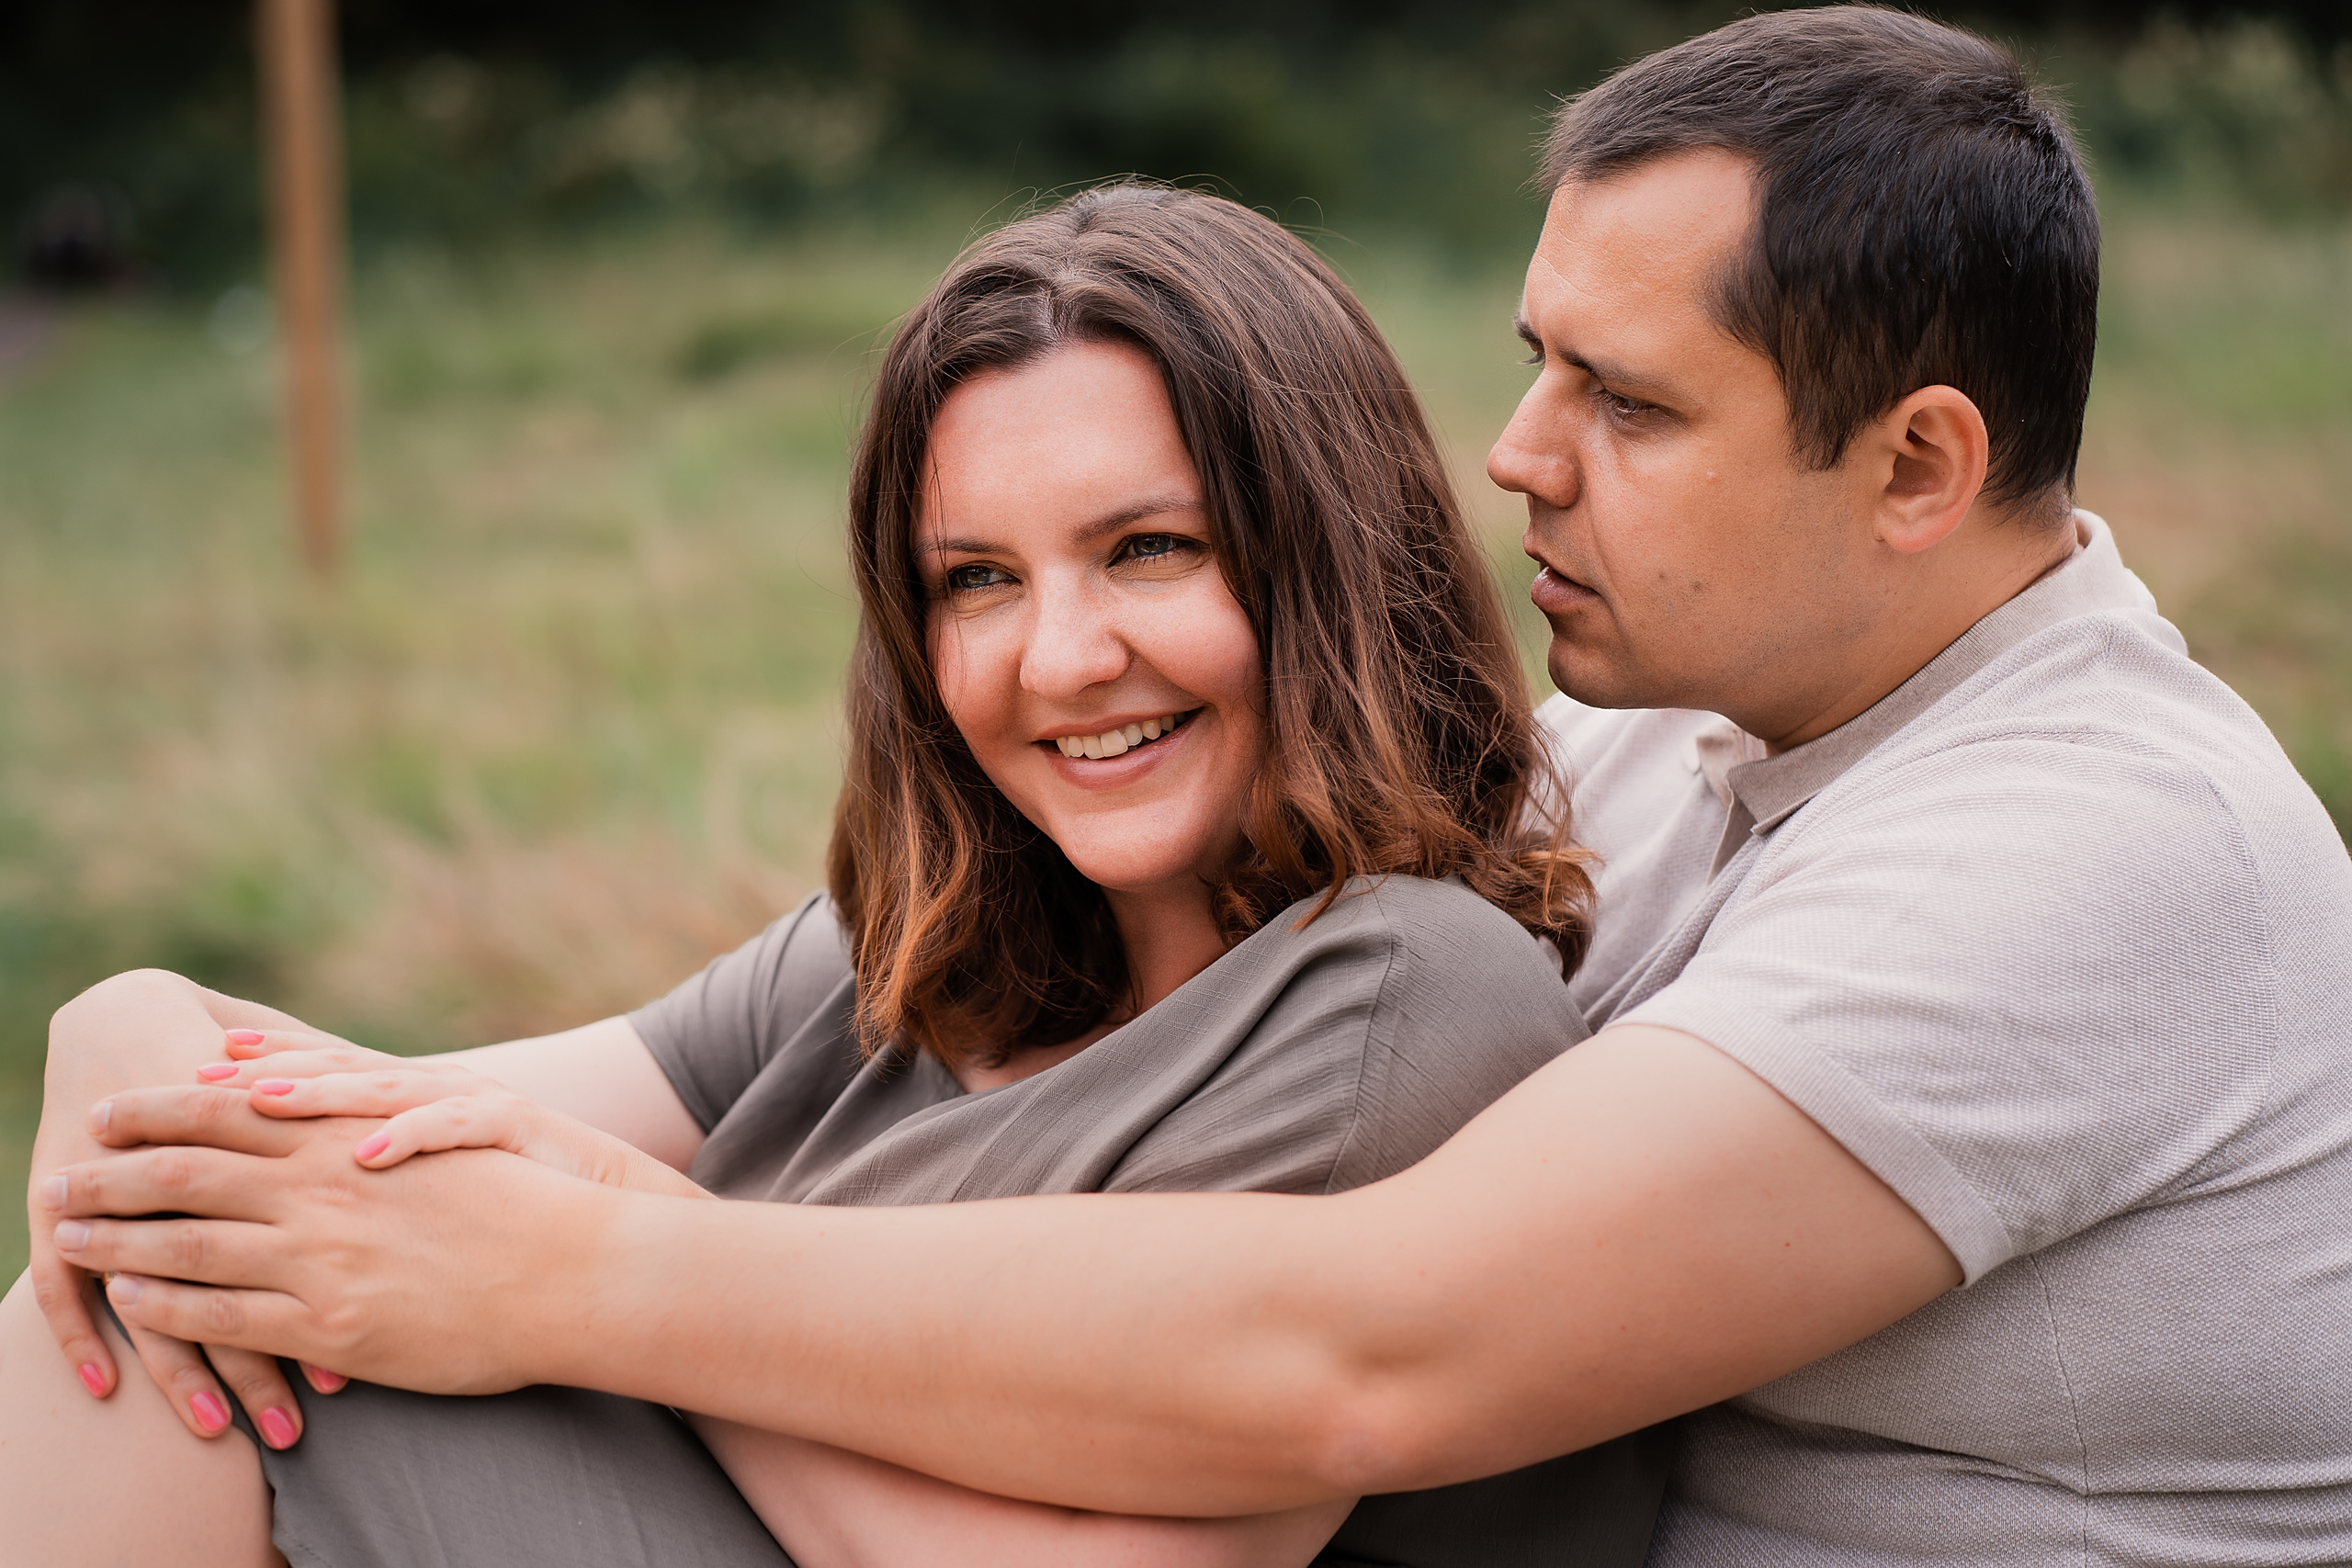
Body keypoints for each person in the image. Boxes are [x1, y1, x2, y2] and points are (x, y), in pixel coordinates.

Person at [24, 6, 2352, 1564]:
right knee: (170, 1307)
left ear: (1916, 463)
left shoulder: (2093, 851)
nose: (1517, 455)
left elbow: (1364, 1344)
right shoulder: (1666, 733)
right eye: (1529, 364)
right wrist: (136, 1046)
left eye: (1627, 408)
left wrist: (596, 1274)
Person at [3, 184, 1677, 1566]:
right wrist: (136, 1033)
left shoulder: (1400, 993)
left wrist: (603, 1279)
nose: (1063, 658)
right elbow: (376, 1133)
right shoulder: (917, 955)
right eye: (976, 582)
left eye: (1147, 549)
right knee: (190, 1265)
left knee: (197, 1345)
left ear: (1326, 556)